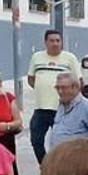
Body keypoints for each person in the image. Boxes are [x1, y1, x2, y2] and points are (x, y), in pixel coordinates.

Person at [27, 30, 81, 162]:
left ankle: (64, 166)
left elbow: (78, 82)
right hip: (41, 108)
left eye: (58, 40)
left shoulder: (69, 58)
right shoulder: (37, 57)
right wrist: (43, 89)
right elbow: (31, 79)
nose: (55, 43)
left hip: (62, 108)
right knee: (36, 140)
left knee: (63, 141)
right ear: (45, 42)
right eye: (52, 41)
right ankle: (45, 165)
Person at [47, 71, 88, 151]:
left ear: (76, 87)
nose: (60, 91)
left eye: (64, 88)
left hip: (77, 160)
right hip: (58, 159)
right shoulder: (61, 105)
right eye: (57, 88)